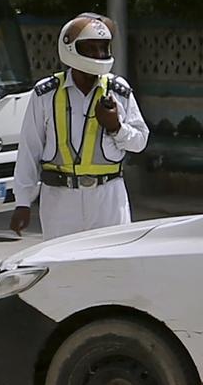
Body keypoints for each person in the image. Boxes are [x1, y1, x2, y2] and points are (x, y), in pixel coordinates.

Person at [10, 13, 149, 240]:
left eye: (103, 48)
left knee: (109, 268)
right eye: (91, 48)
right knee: (61, 267)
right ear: (71, 49)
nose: (99, 55)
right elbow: (29, 149)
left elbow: (140, 142)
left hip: (108, 198)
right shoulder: (46, 93)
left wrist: (116, 127)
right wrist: (22, 202)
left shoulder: (117, 90)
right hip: (60, 200)